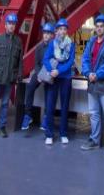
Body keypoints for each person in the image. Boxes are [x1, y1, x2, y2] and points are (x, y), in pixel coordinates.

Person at [80, 14, 104, 156]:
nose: (99, 29)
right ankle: (95, 141)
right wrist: (87, 72)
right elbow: (85, 59)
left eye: (101, 26)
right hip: (92, 84)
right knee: (94, 114)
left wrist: (96, 75)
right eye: (97, 26)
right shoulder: (91, 42)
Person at [43, 17, 75, 146]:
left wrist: (59, 71)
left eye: (64, 29)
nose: (62, 31)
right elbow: (46, 58)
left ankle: (63, 133)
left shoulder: (71, 44)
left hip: (65, 78)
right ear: (56, 30)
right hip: (53, 78)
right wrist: (52, 70)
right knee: (50, 106)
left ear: (67, 31)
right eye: (60, 29)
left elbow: (70, 61)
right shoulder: (52, 43)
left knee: (64, 107)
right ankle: (49, 134)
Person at [21, 22, 54, 132]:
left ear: (52, 35)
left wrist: (47, 76)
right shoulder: (39, 47)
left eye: (48, 33)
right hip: (40, 72)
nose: (46, 35)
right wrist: (40, 75)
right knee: (30, 86)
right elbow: (36, 64)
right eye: (44, 33)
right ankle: (28, 115)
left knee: (48, 93)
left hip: (50, 73)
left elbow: (54, 62)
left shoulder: (55, 47)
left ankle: (46, 118)